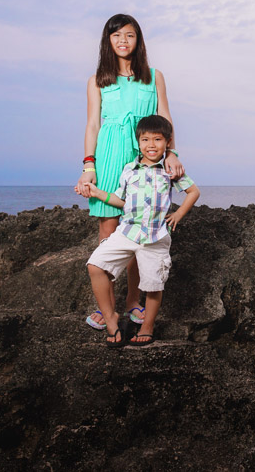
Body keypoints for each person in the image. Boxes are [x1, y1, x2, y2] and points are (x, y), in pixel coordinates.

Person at [75, 14, 184, 331]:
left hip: (144, 158)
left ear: (138, 40)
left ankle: (132, 302)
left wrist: (172, 153)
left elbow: (164, 116)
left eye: (130, 35)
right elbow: (93, 124)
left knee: (143, 231)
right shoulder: (97, 80)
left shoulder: (154, 76)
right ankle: (104, 306)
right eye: (116, 35)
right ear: (107, 41)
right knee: (108, 232)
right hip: (109, 156)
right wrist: (88, 166)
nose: (123, 40)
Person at [79, 115, 200, 346]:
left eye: (157, 139)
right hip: (127, 232)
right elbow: (120, 200)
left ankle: (147, 326)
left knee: (153, 284)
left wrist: (178, 214)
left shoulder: (169, 170)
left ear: (168, 142)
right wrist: (96, 193)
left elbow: (194, 192)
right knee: (95, 265)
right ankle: (111, 319)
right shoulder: (129, 170)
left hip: (156, 237)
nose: (151, 145)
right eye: (145, 139)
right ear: (138, 142)